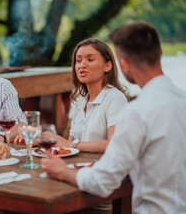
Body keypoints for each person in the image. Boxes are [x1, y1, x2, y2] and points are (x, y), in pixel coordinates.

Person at [41, 21, 186, 213]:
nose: (82, 64)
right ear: (160, 53)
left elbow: (103, 182)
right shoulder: (181, 100)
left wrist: (62, 171)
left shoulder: (136, 112)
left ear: (122, 63)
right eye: (78, 60)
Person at [15, 38, 128, 154]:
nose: (82, 65)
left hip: (102, 168)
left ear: (107, 66)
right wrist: (45, 140)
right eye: (78, 61)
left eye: (90, 59)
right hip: (78, 165)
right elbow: (69, 148)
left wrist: (71, 144)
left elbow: (115, 143)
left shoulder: (115, 98)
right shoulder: (81, 102)